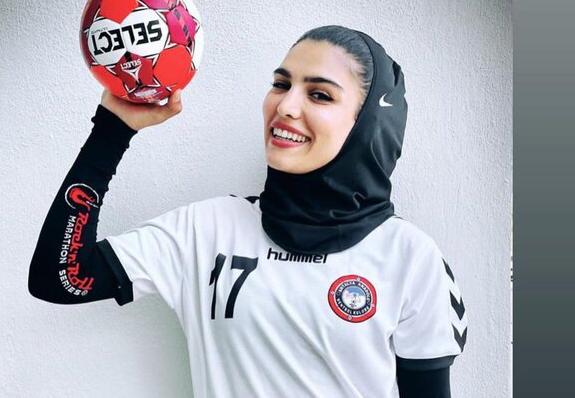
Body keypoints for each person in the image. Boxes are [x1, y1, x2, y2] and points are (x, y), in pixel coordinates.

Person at [28, 26, 467, 397]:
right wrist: (112, 131)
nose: (285, 106)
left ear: (369, 124)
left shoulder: (410, 256)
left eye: (319, 94)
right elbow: (60, 277)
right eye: (281, 84)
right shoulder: (207, 230)